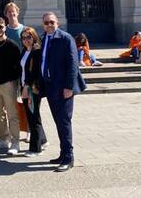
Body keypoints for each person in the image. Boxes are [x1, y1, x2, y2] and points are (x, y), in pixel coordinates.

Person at [40, 12, 86, 172]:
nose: (49, 25)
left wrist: (69, 87)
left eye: (52, 22)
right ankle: (62, 153)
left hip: (63, 87)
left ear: (57, 23)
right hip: (51, 85)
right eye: (46, 23)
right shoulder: (44, 38)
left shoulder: (66, 38)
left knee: (64, 121)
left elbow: (73, 64)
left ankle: (69, 157)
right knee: (58, 121)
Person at [0, 17, 22, 155]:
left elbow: (18, 67)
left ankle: (15, 141)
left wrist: (13, 81)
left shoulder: (12, 45)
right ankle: (3, 139)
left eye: (1, 27)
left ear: (5, 27)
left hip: (8, 84)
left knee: (12, 114)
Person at [20, 27, 48, 157]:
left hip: (33, 89)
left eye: (29, 37)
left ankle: (35, 149)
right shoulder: (25, 50)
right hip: (25, 87)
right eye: (24, 38)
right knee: (33, 115)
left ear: (34, 37)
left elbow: (35, 72)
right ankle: (42, 140)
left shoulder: (37, 51)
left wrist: (26, 86)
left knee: (33, 117)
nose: (26, 40)